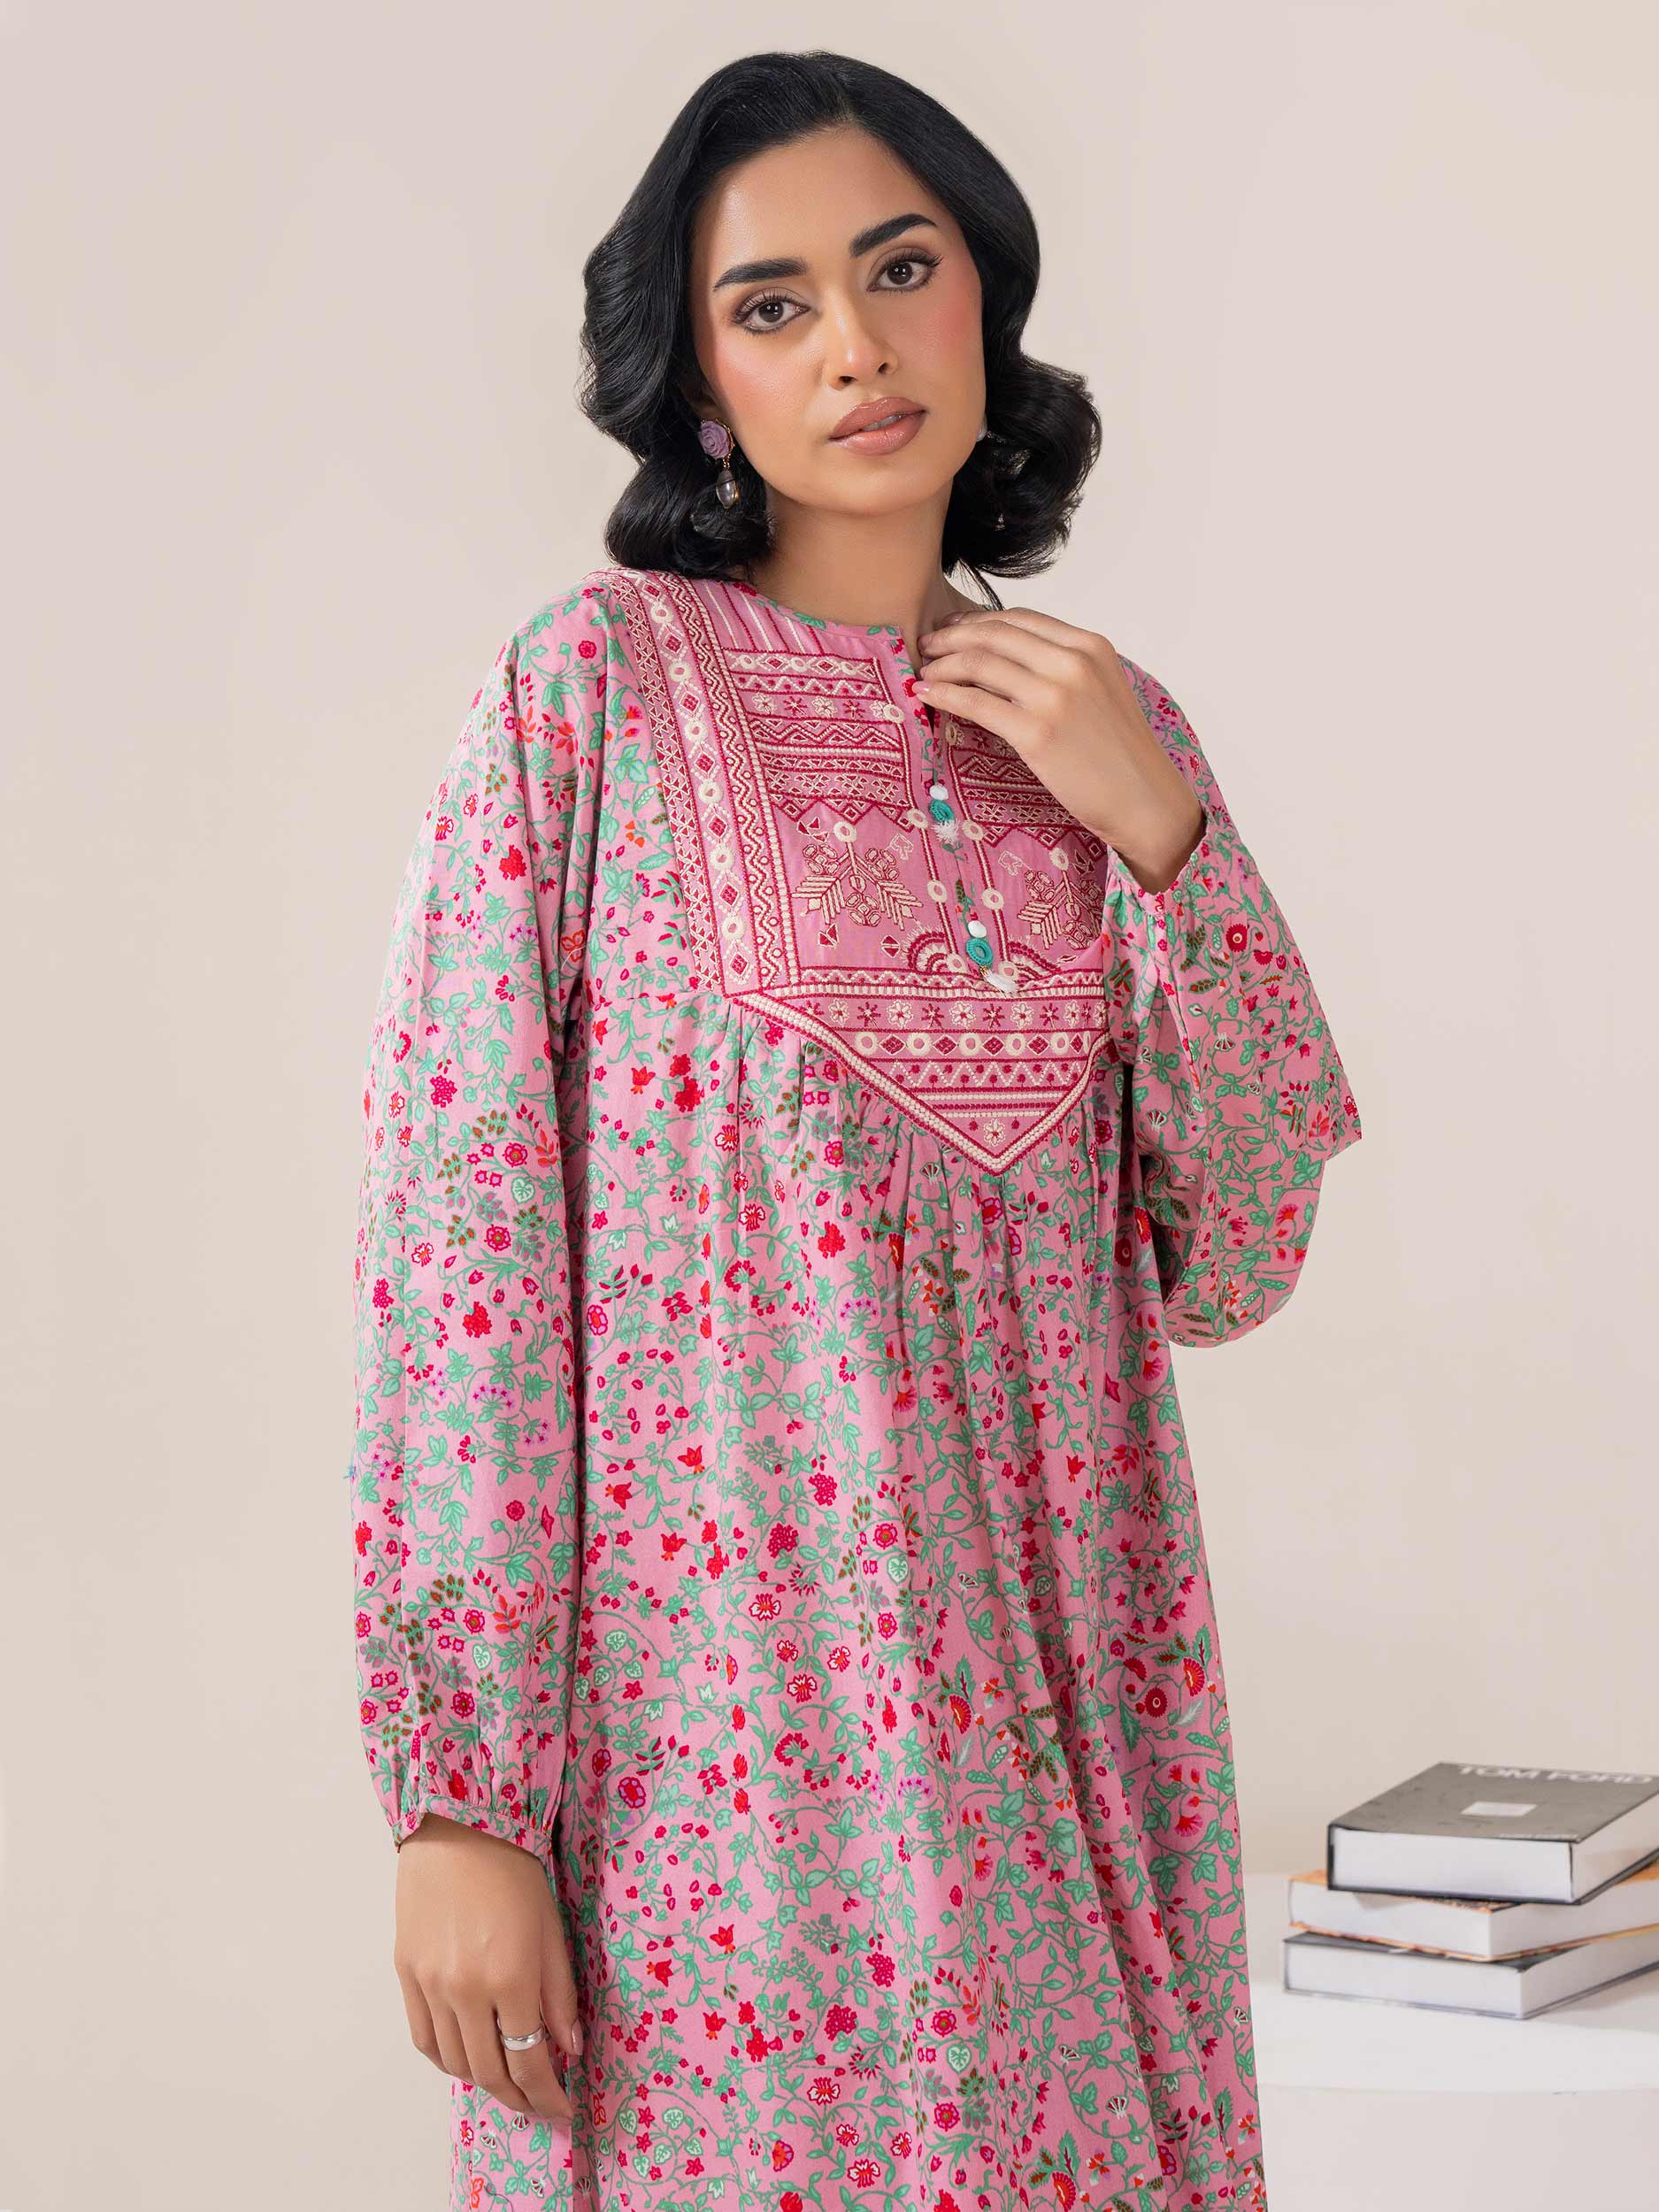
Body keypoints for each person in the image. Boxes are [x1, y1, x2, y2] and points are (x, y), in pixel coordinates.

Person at [347, 49, 1362, 2212]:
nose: (855, 345)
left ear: (982, 298)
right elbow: (463, 1254)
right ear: (700, 379)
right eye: (773, 303)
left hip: (1068, 1781)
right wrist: (458, 1801)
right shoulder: (588, 695)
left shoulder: (1105, 733)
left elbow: (1236, 1250)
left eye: (899, 271)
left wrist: (1161, 832)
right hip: (709, 1801)